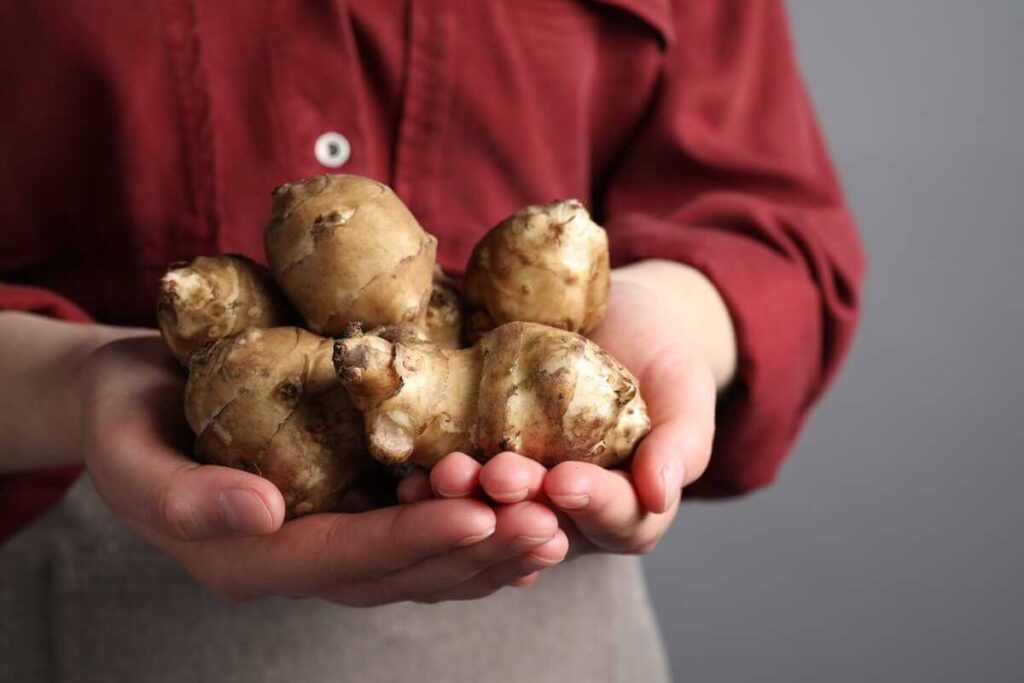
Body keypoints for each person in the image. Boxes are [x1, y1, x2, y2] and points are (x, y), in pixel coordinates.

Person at [0, 1, 863, 681]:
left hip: (544, 598)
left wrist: (668, 314)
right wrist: (75, 382)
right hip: (83, 572)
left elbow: (771, 229)